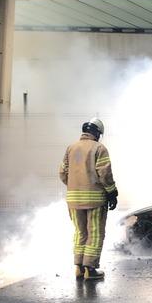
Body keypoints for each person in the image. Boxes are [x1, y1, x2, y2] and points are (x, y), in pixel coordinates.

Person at [59, 118, 118, 281]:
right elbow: (104, 174)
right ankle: (90, 269)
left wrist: (75, 185)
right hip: (95, 200)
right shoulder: (99, 148)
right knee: (95, 233)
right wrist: (112, 192)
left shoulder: (71, 148)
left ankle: (79, 267)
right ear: (97, 133)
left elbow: (62, 173)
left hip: (73, 199)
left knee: (80, 232)